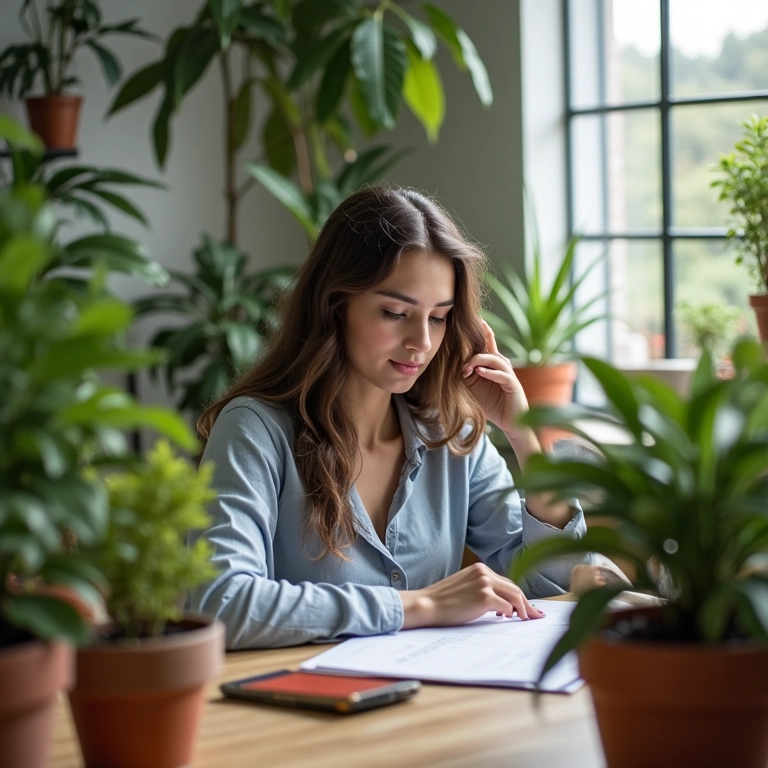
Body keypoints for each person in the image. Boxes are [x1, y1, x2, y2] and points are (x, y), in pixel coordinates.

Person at [188, 185, 592, 650]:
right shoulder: (253, 429)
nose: (421, 341)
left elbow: (550, 584)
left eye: (438, 317)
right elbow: (221, 603)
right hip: (298, 710)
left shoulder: (452, 434)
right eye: (395, 312)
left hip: (425, 704)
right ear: (334, 306)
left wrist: (522, 437)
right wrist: (418, 606)